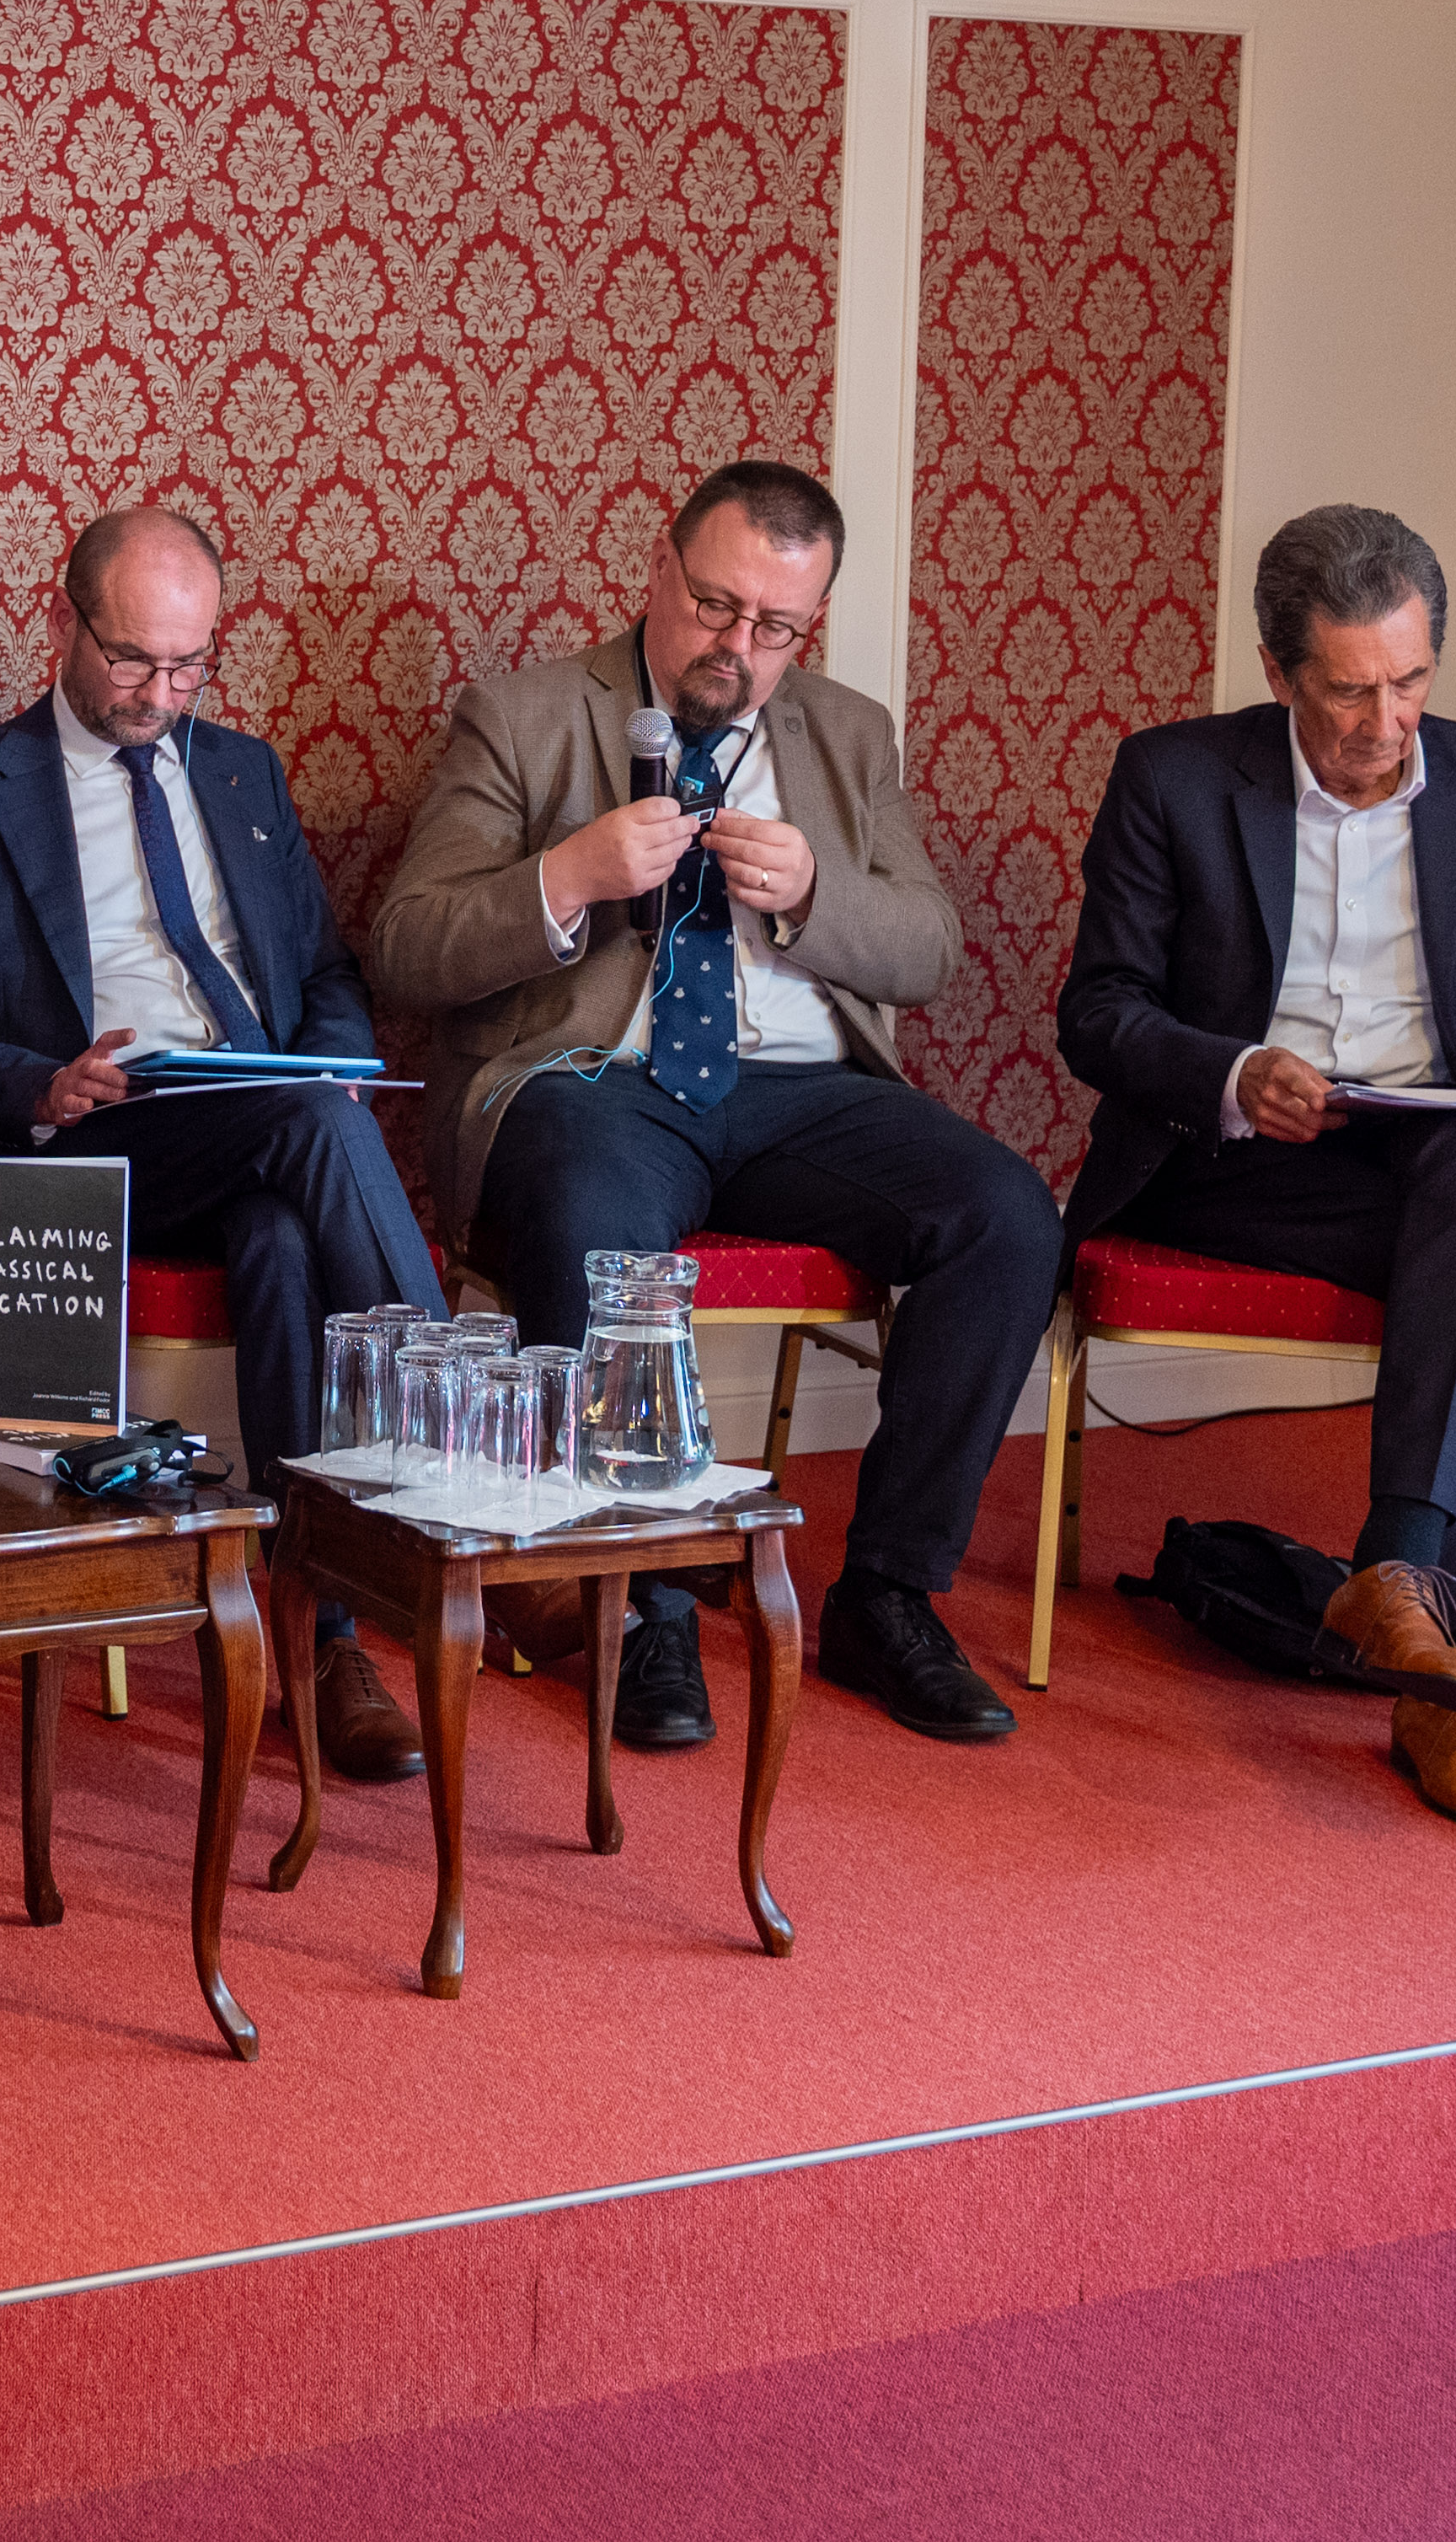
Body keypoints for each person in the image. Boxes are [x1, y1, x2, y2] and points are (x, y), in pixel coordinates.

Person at [373, 459, 1059, 1751]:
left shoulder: (848, 736)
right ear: (657, 568)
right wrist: (565, 876)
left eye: (776, 626)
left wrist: (813, 894)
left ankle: (887, 1593)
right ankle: (640, 1599)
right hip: (599, 1080)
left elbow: (927, 947)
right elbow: (406, 946)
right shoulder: (521, 715)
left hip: (804, 1092)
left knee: (1005, 1215)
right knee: (588, 1209)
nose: (737, 646)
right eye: (714, 605)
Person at [0, 505, 447, 1788]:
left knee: (284, 1238)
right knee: (307, 1136)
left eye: (189, 665)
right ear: (63, 622)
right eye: (133, 658)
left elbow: (322, 972)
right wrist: (42, 1081)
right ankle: (452, 1467)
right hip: (88, 1139)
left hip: (260, 1125)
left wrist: (332, 1064)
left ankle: (316, 1639)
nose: (160, 693)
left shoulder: (243, 774)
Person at [1057, 503, 1456, 1839]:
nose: (1383, 723)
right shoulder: (1171, 776)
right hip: (1230, 1168)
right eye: (1348, 690)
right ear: (1278, 671)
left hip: (1423, 1153)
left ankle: (1397, 1579)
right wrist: (1233, 1071)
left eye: (1409, 682)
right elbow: (1096, 1013)